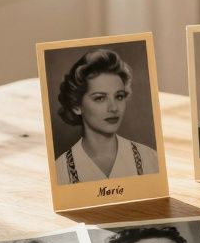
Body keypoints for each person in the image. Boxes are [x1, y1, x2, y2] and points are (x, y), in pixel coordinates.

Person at [52, 49, 160, 184]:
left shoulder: (150, 160)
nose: (114, 108)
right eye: (100, 98)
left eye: (119, 96)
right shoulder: (60, 172)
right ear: (77, 106)